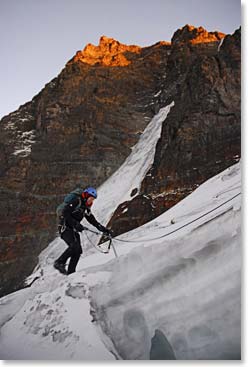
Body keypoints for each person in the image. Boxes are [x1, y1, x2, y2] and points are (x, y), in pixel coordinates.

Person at [54, 187, 111, 275]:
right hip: (65, 228)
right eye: (91, 198)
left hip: (73, 229)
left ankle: (71, 273)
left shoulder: (85, 207)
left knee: (78, 251)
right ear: (86, 196)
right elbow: (65, 213)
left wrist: (103, 229)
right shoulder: (77, 201)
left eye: (93, 199)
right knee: (74, 246)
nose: (91, 201)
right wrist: (75, 224)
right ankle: (59, 262)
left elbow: (92, 220)